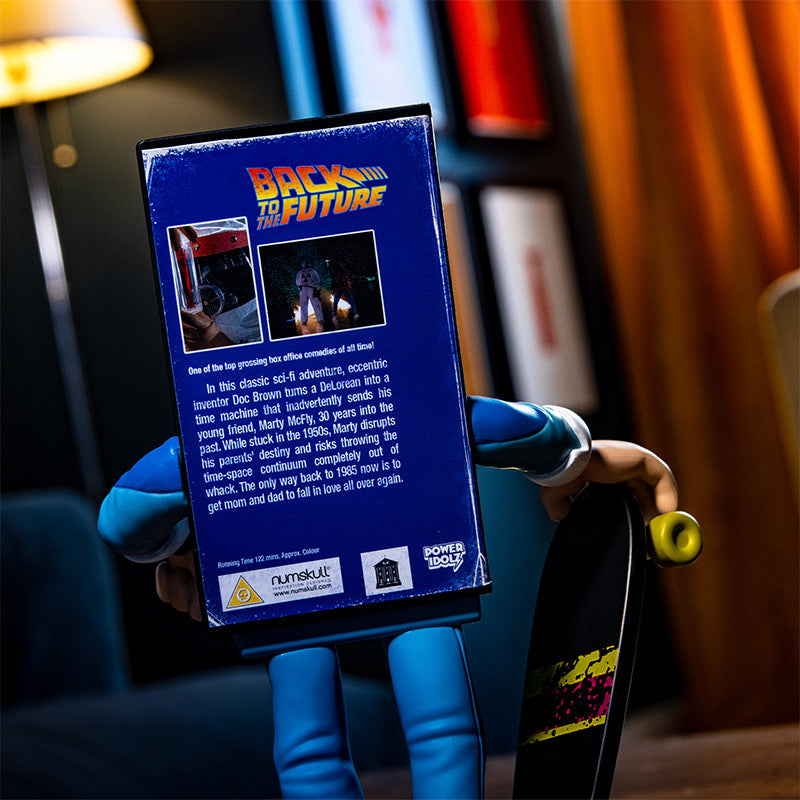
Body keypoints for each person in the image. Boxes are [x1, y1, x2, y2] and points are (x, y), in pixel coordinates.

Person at [98, 396, 679, 799]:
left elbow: (124, 517)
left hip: (384, 581)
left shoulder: (228, 429)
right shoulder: (402, 396)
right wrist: (583, 457)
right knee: (399, 742)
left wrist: (177, 538)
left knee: (379, 744)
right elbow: (525, 432)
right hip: (320, 588)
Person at [295, 262, 325, 328]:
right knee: (316, 304)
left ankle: (304, 321)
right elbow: (317, 280)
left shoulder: (299, 272)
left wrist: (300, 288)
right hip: (311, 288)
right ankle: (320, 320)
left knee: (303, 305)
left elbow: (297, 282)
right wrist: (315, 286)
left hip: (303, 289)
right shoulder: (313, 271)